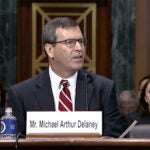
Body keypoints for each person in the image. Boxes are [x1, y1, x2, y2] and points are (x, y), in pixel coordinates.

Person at [8, 17, 122, 137]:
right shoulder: (22, 93)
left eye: (81, 41)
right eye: (70, 43)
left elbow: (113, 139)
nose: (79, 48)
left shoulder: (103, 89)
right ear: (50, 50)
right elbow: (17, 142)